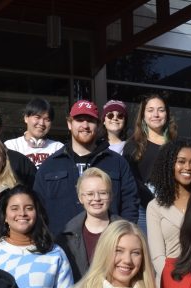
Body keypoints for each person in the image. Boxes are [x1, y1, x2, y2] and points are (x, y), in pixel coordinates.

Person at [35, 100, 140, 237]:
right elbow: (38, 209)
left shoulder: (117, 163)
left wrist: (122, 237)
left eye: (90, 120)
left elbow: (130, 204)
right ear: (69, 124)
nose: (85, 125)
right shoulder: (50, 166)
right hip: (62, 247)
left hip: (107, 245)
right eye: (79, 120)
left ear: (98, 125)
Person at [146, 139, 191, 278]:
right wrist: (176, 281)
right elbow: (157, 257)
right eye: (181, 161)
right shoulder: (154, 207)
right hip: (170, 282)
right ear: (170, 164)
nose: (187, 167)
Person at [124, 93, 179, 229]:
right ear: (143, 115)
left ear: (167, 114)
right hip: (143, 208)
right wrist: (152, 201)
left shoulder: (177, 145)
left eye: (161, 110)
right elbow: (132, 181)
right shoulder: (132, 146)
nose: (156, 114)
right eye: (150, 110)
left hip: (173, 205)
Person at [58, 167, 122, 283]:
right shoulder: (66, 236)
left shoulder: (126, 232)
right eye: (90, 194)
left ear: (111, 196)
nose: (96, 198)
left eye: (103, 193)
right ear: (80, 198)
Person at [4, 97, 63, 168]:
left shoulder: (58, 148)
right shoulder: (11, 146)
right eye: (37, 117)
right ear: (26, 118)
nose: (41, 123)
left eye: (47, 119)